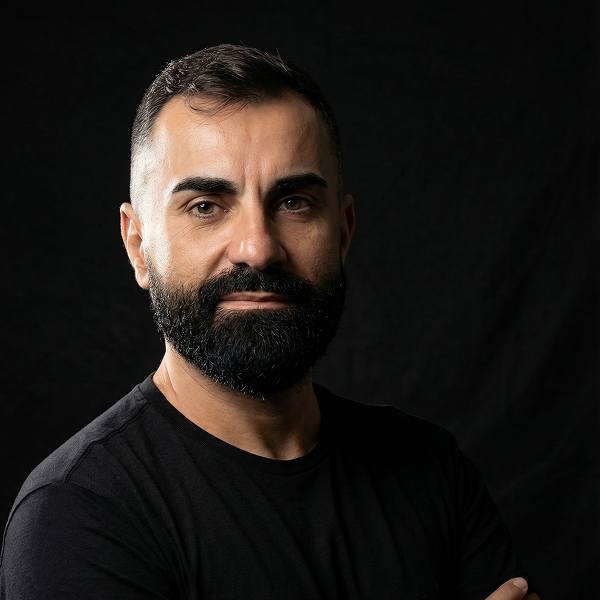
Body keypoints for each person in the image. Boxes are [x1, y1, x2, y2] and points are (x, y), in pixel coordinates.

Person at [0, 44, 539, 599]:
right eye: (206, 206)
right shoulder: (78, 515)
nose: (258, 248)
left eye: (294, 202)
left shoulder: (432, 470)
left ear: (343, 232)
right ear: (138, 246)